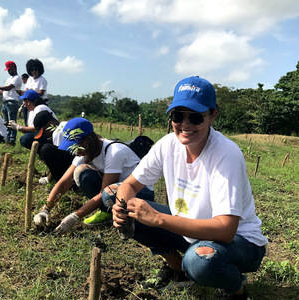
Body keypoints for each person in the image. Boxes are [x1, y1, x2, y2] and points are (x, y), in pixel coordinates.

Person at [112, 76, 268, 298]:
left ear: (212, 115)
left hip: (240, 242)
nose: (185, 125)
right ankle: (177, 269)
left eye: (195, 118)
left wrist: (158, 218)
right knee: (111, 195)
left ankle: (236, 289)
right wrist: (120, 205)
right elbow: (129, 184)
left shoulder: (226, 154)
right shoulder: (167, 145)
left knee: (198, 261)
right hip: (188, 230)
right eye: (178, 116)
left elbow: (226, 230)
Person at [33, 117, 154, 234]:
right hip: (119, 192)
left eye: (76, 145)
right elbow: (64, 183)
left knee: (108, 193)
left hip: (142, 194)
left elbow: (104, 192)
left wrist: (75, 216)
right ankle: (108, 211)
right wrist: (45, 209)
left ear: (88, 140)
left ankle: (123, 217)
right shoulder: (84, 154)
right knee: (81, 172)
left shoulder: (114, 152)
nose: (75, 151)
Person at [0, 61, 22, 145]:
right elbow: (4, 91)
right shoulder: (9, 79)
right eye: (7, 70)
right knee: (6, 122)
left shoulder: (17, 78)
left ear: (14, 68)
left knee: (11, 122)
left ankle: (12, 140)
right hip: (5, 102)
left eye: (9, 69)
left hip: (12, 102)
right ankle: (8, 140)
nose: (8, 71)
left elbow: (8, 88)